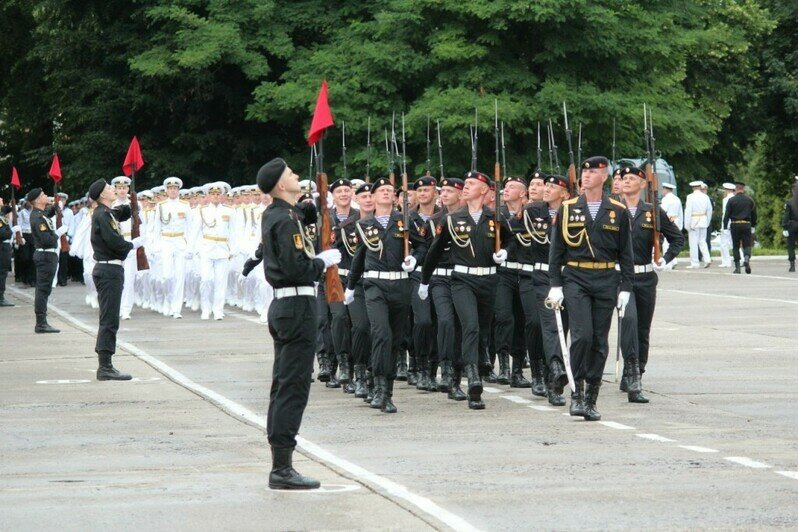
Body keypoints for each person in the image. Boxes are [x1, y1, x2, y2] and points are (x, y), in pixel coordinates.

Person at [257, 158, 340, 490]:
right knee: (293, 386)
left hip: (286, 305)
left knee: (284, 384)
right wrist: (321, 262)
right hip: (296, 304)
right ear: (280, 185)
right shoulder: (283, 219)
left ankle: (281, 461)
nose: (296, 176)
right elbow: (297, 267)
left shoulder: (279, 214)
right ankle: (282, 468)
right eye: (290, 174)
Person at [547, 156, 634, 421]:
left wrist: (626, 287)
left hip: (607, 278)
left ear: (604, 175)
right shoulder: (568, 207)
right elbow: (556, 250)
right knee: (582, 336)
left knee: (599, 341)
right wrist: (555, 284)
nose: (586, 175)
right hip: (576, 276)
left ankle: (591, 397)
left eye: (592, 171)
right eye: (584, 171)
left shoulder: (617, 210)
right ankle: (576, 392)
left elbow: (626, 253)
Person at [419, 171, 511, 410]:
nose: (466, 187)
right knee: (469, 326)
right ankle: (473, 380)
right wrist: (424, 280)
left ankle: (467, 369)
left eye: (472, 184)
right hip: (462, 281)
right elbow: (435, 251)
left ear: (485, 190)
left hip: (489, 281)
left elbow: (510, 240)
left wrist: (505, 253)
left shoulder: (496, 218)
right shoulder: (452, 219)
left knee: (481, 331)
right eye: (466, 183)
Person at [344, 177, 429, 414]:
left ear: (394, 197)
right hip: (374, 286)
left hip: (400, 286)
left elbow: (422, 246)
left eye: (389, 190)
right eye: (380, 190)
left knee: (393, 339)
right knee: (380, 333)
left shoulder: (405, 221)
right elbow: (359, 257)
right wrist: (350, 287)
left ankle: (386, 389)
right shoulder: (365, 225)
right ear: (372, 196)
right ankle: (380, 388)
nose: (385, 193)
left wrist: (415, 258)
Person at [618, 166, 685, 402]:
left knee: (642, 329)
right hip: (620, 279)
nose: (626, 181)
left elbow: (677, 238)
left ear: (644, 184)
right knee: (629, 322)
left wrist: (665, 259)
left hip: (646, 278)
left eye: (631, 178)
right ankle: (632, 373)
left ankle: (638, 371)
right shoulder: (613, 210)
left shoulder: (653, 212)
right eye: (623, 178)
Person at [87, 179, 145, 380]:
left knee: (110, 318)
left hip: (111, 270)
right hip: (108, 270)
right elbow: (114, 242)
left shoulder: (106, 213)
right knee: (109, 320)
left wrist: (133, 204)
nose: (114, 190)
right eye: (110, 188)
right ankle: (105, 366)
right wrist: (132, 245)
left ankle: (106, 364)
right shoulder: (103, 215)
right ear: (103, 195)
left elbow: (121, 213)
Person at [150, 177, 192, 318]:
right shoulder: (161, 205)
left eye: (175, 188)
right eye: (170, 188)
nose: (173, 191)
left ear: (178, 190)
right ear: (166, 190)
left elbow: (190, 227)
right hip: (166, 241)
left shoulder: (185, 205)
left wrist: (189, 247)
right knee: (166, 276)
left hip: (179, 241)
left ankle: (176, 309)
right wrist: (155, 247)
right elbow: (156, 228)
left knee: (179, 276)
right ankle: (167, 301)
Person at [193, 181, 236, 320]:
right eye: (213, 194)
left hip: (223, 249)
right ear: (208, 196)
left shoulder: (229, 210)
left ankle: (218, 310)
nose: (215, 196)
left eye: (218, 194)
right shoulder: (202, 210)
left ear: (222, 195)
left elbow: (234, 232)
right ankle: (206, 308)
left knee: (220, 281)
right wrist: (194, 249)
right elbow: (195, 231)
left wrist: (233, 249)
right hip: (206, 247)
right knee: (206, 279)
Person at [28, 188, 65, 333]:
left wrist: (56, 207)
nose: (45, 196)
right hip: (45, 256)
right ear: (37, 200)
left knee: (45, 289)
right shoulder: (37, 217)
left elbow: (47, 214)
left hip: (47, 256)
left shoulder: (40, 214)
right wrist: (58, 234)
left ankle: (42, 321)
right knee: (43, 290)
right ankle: (41, 323)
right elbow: (46, 239)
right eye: (43, 195)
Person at [723, 182, 757, 274]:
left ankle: (737, 268)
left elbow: (726, 215)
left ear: (736, 189)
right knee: (746, 245)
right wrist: (753, 225)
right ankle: (746, 258)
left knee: (736, 246)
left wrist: (725, 226)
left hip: (735, 224)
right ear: (743, 189)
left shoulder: (731, 200)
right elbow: (754, 215)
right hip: (746, 224)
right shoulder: (750, 200)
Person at [683, 180, 712, 268]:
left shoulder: (690, 197)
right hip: (703, 220)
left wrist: (686, 224)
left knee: (693, 243)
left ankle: (695, 263)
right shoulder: (705, 197)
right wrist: (707, 221)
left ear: (692, 188)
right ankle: (707, 259)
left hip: (694, 220)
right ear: (700, 187)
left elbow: (688, 211)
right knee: (702, 241)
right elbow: (709, 210)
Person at [659, 182, 683, 269]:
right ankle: (674, 260)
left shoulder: (665, 199)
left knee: (666, 243)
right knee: (675, 240)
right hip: (676, 220)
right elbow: (681, 212)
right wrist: (680, 225)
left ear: (665, 189)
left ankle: (667, 263)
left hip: (667, 221)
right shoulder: (677, 199)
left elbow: (662, 212)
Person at [0, 199, 18, 306]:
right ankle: (0, 298)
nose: (2, 200)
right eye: (1, 200)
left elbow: (5, 210)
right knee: (2, 273)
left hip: (4, 246)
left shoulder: (1, 215)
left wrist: (12, 207)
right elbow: (3, 233)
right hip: (2, 247)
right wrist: (12, 231)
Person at [782, 179, 798, 272]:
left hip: (792, 225)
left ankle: (792, 265)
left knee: (791, 246)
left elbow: (786, 216)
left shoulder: (789, 202)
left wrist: (784, 227)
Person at [719, 183, 736, 268]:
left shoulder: (726, 199)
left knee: (724, 244)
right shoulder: (735, 198)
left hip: (727, 223)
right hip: (734, 222)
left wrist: (724, 225)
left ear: (726, 190)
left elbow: (725, 214)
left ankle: (726, 261)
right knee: (734, 242)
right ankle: (741, 259)